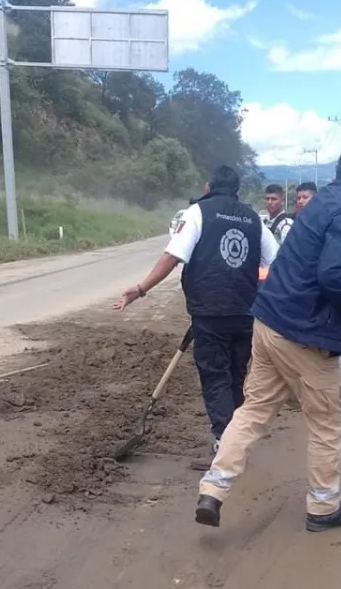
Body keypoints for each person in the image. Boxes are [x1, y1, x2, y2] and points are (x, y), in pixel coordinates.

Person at [195, 135, 341, 532]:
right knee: (329, 421)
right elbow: (335, 275)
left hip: (269, 322)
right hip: (305, 335)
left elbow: (328, 270)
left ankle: (213, 489)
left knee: (254, 410)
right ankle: (324, 508)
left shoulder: (327, 199)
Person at [113, 165, 279, 469]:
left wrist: (140, 289)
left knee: (215, 375)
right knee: (235, 374)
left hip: (210, 311)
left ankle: (222, 446)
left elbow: (172, 256)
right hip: (245, 311)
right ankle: (235, 442)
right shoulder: (254, 219)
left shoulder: (198, 213)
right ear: (237, 190)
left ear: (208, 186)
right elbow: (278, 262)